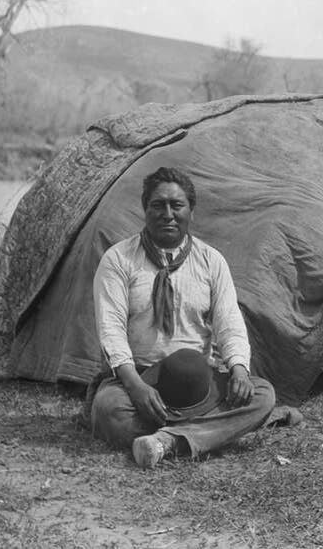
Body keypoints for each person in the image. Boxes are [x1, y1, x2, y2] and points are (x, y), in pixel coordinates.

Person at [89, 166, 276, 468]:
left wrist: (239, 371)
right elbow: (110, 331)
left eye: (176, 205)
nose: (168, 214)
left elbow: (229, 323)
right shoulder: (119, 260)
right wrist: (136, 387)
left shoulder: (211, 261)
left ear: (191, 212)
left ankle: (167, 441)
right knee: (109, 408)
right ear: (145, 210)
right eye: (158, 205)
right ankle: (207, 432)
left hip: (197, 383)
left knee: (262, 395)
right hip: (138, 377)